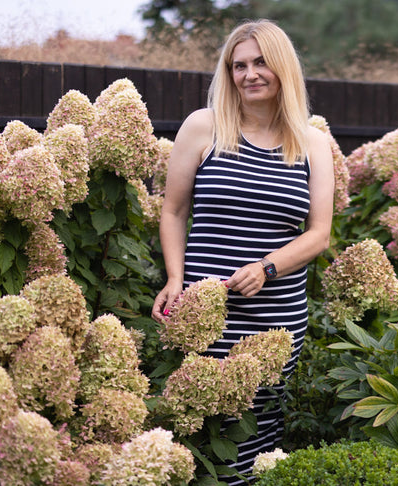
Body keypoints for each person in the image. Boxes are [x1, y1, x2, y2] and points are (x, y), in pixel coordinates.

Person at [152, 19, 334, 481]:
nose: (250, 74)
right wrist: (175, 279)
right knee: (198, 429)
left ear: (282, 69)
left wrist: (268, 268)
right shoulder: (204, 126)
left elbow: (319, 233)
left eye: (260, 63)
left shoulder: (312, 143)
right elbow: (173, 211)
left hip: (275, 319)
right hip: (206, 313)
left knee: (255, 433)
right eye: (239, 65)